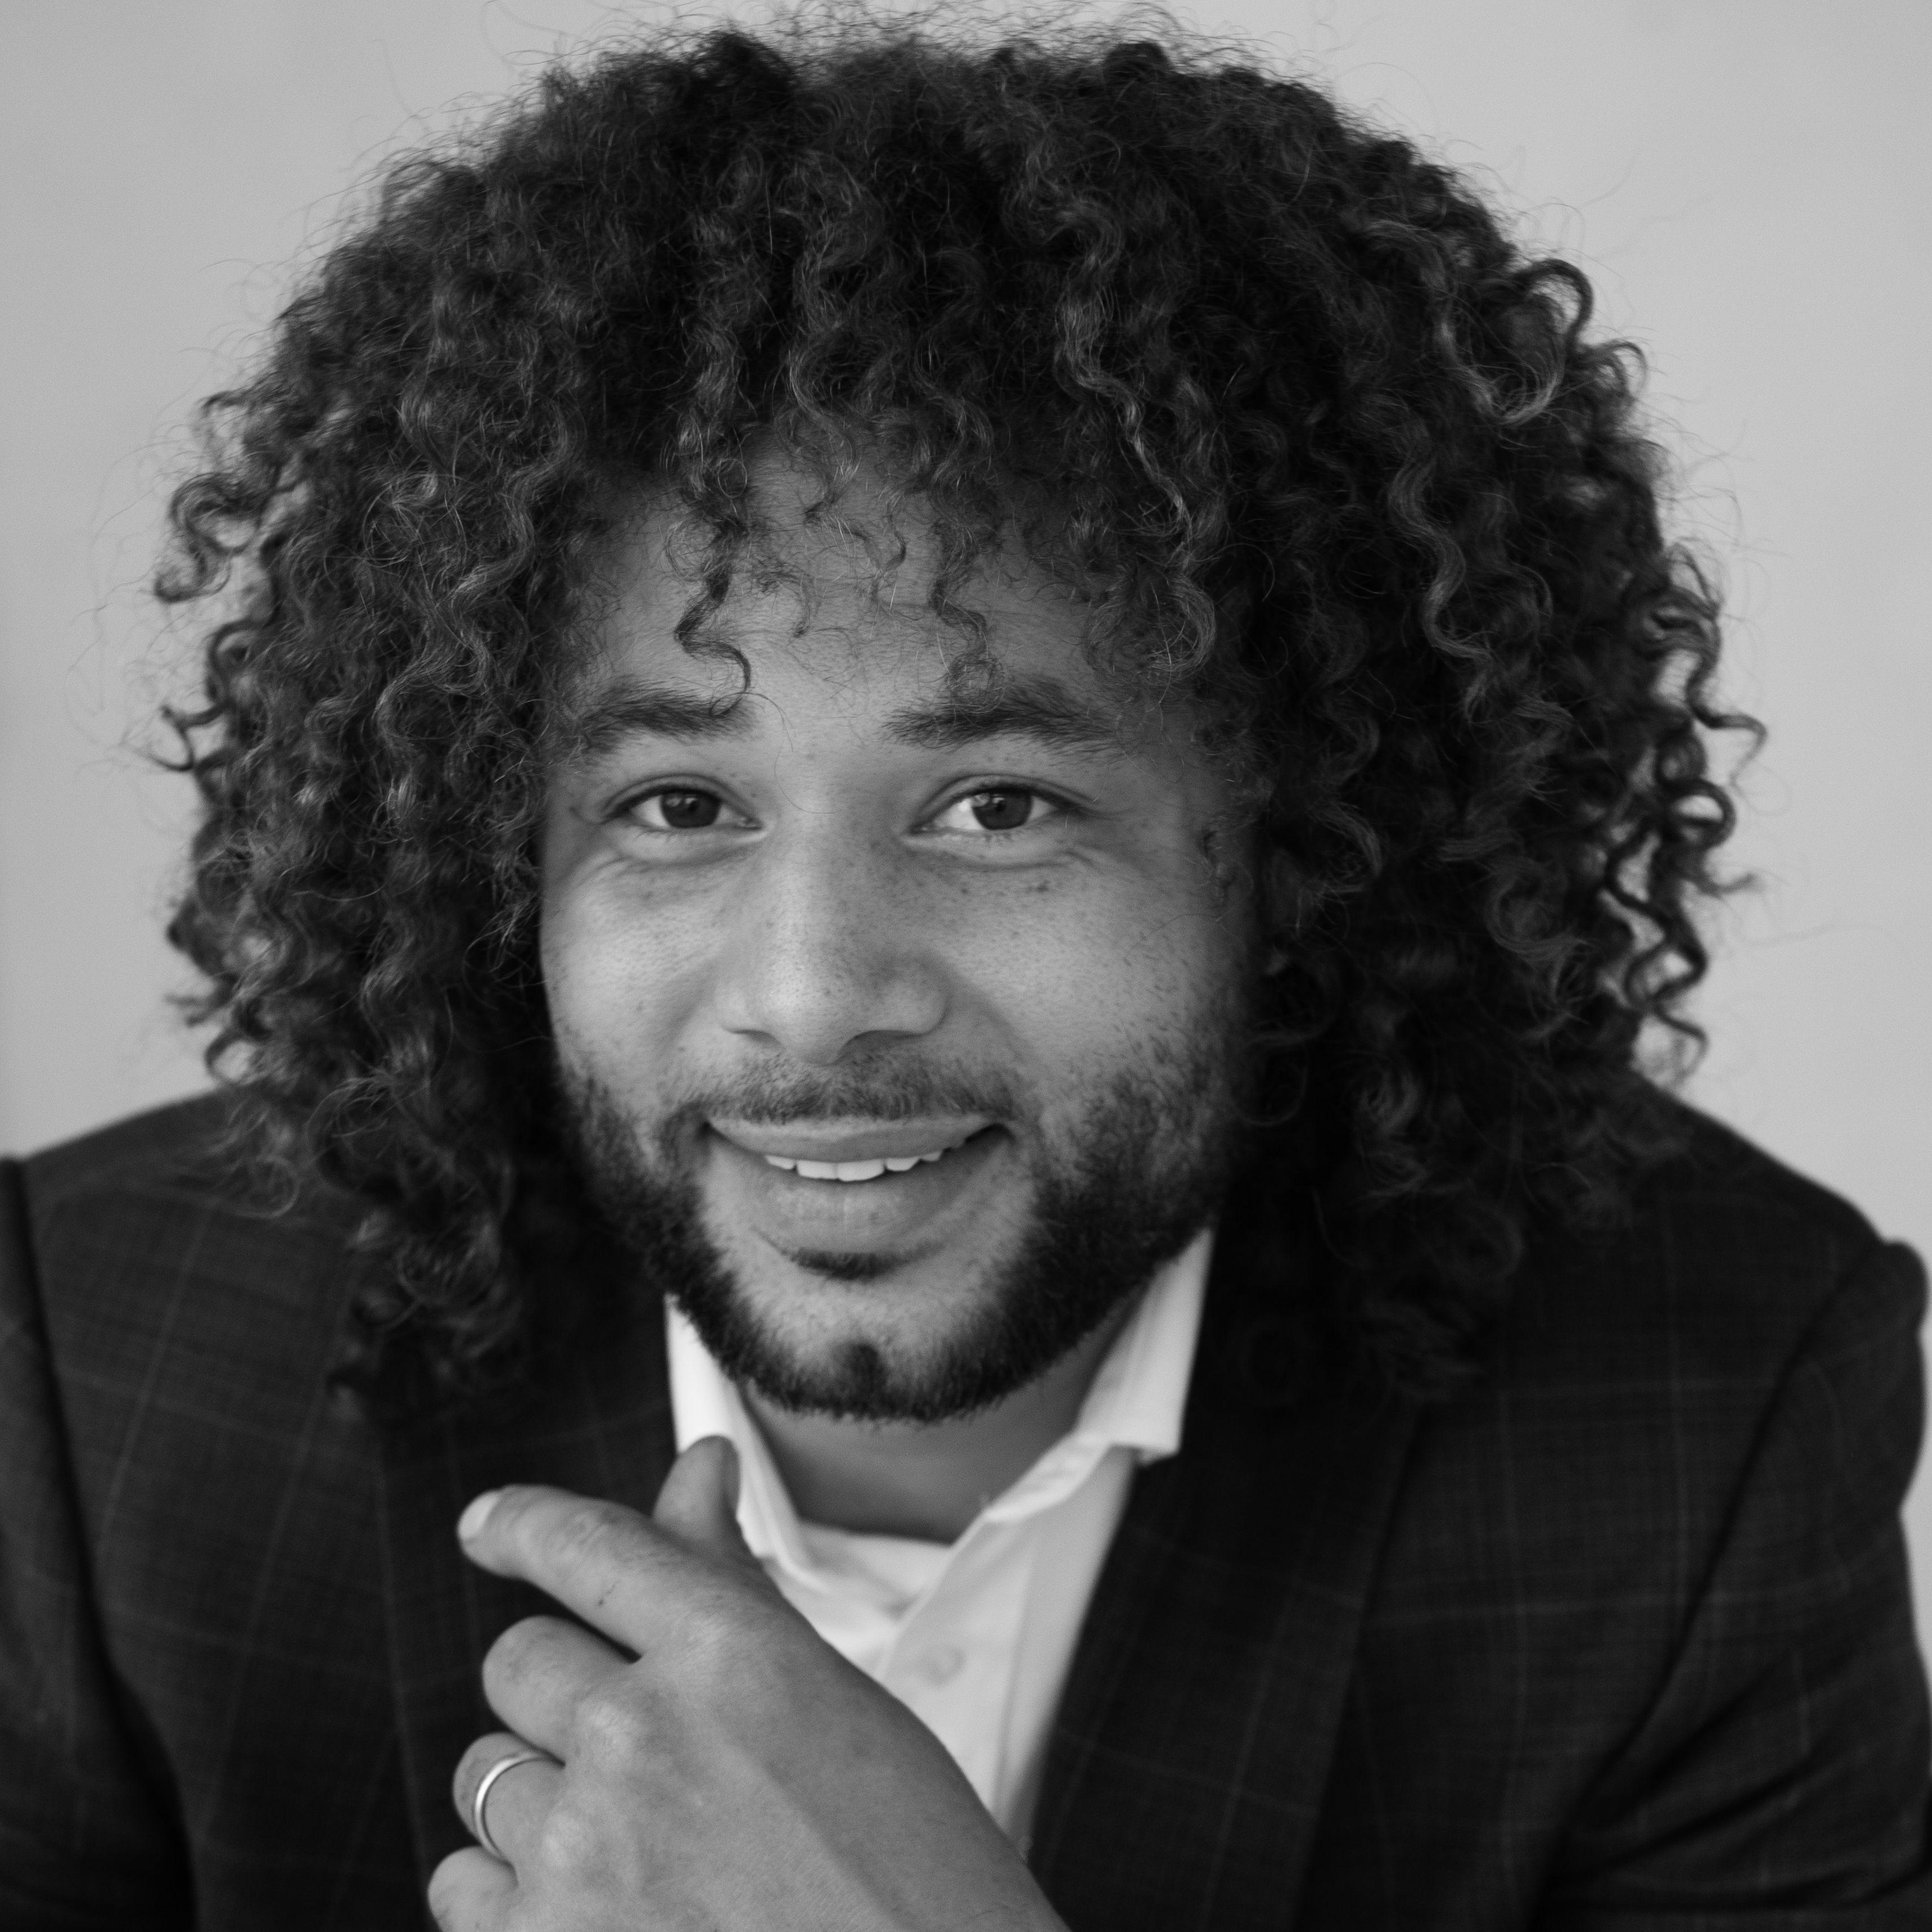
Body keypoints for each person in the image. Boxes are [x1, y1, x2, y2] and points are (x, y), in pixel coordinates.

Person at [1, 16, 1926, 1930]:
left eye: (998, 804)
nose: (813, 991)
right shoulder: (96, 1388)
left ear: (1310, 841)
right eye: (678, 804)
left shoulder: (1705, 1404)